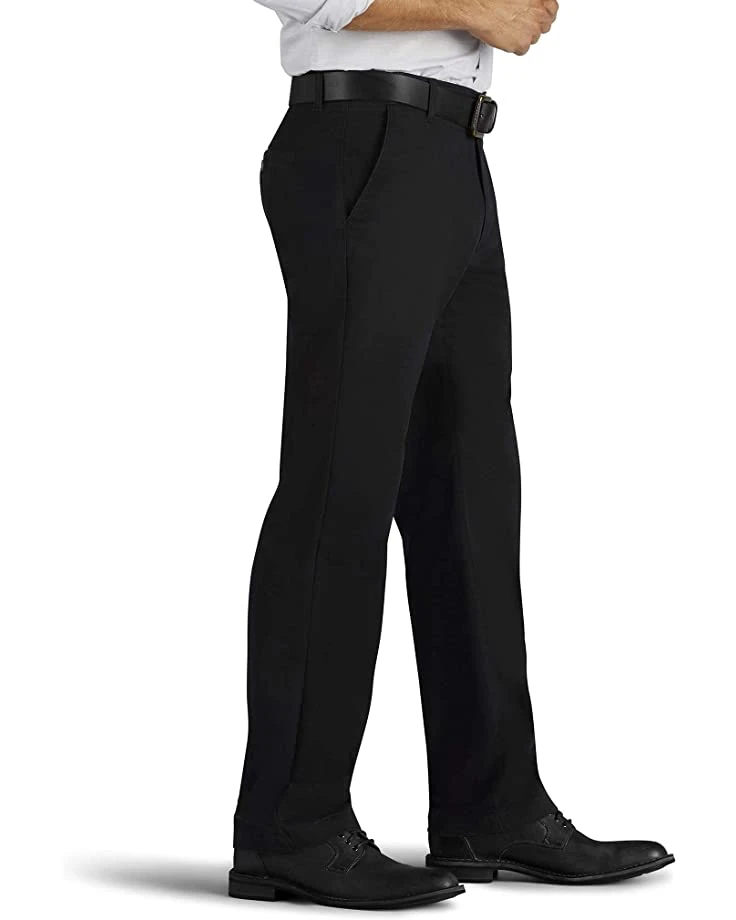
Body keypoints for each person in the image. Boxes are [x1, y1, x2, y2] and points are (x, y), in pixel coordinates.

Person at [229, 0, 673, 908]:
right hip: (360, 137)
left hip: (453, 155)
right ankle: (290, 828)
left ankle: (492, 807)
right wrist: (470, 7)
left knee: (471, 495)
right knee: (341, 488)